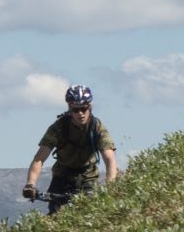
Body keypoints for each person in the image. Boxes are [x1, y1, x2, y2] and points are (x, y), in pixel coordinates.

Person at [23, 84, 118, 214]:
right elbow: (39, 158)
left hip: (87, 177)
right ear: (69, 108)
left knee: (90, 211)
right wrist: (30, 184)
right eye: (75, 110)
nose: (80, 113)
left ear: (89, 107)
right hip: (62, 175)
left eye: (84, 108)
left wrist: (110, 185)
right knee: (55, 214)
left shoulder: (96, 127)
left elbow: (109, 159)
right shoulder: (58, 127)